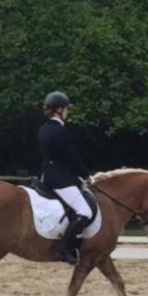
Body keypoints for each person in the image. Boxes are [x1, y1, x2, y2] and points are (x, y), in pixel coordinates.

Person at [38, 91, 92, 265]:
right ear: (59, 110)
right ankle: (64, 249)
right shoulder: (60, 131)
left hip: (45, 174)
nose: (67, 112)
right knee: (85, 212)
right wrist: (85, 175)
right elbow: (72, 157)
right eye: (66, 109)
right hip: (60, 179)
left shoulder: (43, 129)